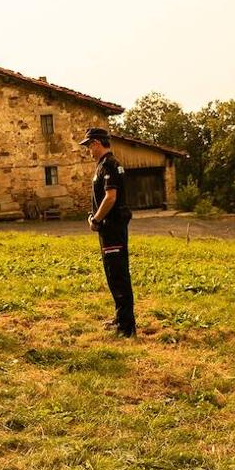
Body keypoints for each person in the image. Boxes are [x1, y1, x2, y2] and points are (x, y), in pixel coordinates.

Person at [81, 127, 136, 337]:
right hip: (108, 228)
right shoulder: (104, 165)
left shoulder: (110, 165)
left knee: (118, 275)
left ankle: (126, 327)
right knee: (113, 275)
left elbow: (110, 197)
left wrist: (96, 219)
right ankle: (120, 318)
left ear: (96, 143)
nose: (88, 150)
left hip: (112, 227)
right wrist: (92, 215)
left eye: (88, 146)